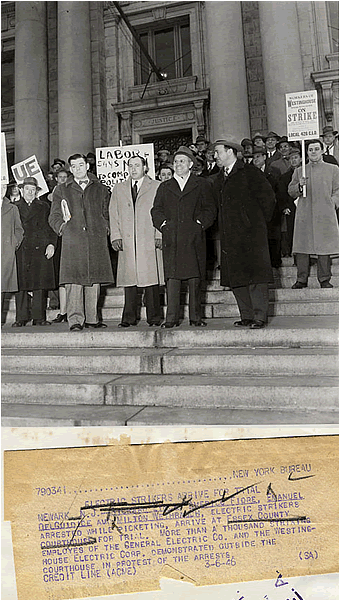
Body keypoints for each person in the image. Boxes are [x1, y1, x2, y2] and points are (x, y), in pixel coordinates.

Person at [212, 136, 276, 329]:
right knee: (237, 277)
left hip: (252, 234)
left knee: (256, 276)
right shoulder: (219, 177)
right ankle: (246, 315)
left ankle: (259, 316)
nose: (215, 156)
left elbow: (269, 199)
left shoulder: (250, 172)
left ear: (230, 152)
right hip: (230, 235)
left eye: (218, 152)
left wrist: (255, 223)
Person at [151, 146, 216, 327]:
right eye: (176, 161)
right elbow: (156, 210)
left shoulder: (202, 184)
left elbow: (210, 209)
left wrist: (199, 225)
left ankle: (195, 317)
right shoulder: (165, 187)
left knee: (195, 278)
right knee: (172, 278)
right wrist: (164, 225)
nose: (178, 164)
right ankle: (171, 318)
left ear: (191, 164)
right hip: (172, 238)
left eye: (182, 161)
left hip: (193, 237)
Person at [49, 153, 113, 331]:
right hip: (73, 240)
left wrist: (105, 228)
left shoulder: (101, 189)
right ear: (70, 169)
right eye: (74, 166)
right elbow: (54, 216)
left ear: (87, 166)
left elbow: (107, 212)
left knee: (94, 280)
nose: (77, 169)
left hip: (95, 239)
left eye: (80, 165)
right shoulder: (62, 190)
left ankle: (92, 318)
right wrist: (63, 228)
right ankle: (75, 319)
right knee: (74, 281)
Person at [109, 156, 164, 327]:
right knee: (129, 281)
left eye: (137, 165)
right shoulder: (119, 188)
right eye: (130, 166)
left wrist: (159, 235)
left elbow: (161, 212)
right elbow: (114, 213)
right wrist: (115, 235)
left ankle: (154, 317)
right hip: (127, 240)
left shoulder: (156, 186)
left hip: (148, 239)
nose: (133, 169)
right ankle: (128, 317)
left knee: (151, 280)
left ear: (145, 167)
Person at [288, 139, 339, 289]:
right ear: (307, 152)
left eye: (317, 149)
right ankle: (301, 279)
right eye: (310, 150)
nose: (314, 152)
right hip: (305, 212)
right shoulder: (300, 170)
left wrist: (333, 202)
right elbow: (291, 191)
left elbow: (338, 189)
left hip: (324, 212)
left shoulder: (333, 169)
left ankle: (324, 279)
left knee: (324, 247)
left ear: (322, 150)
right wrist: (299, 185)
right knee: (303, 246)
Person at [13, 177, 56, 327]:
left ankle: (39, 317)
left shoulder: (44, 206)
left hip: (40, 247)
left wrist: (51, 244)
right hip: (21, 248)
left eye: (33, 190)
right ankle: (21, 318)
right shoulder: (14, 207)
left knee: (39, 283)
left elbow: (50, 227)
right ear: (21, 190)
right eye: (27, 189)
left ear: (36, 191)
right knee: (21, 284)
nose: (30, 192)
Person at [252, 147, 282, 268]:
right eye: (254, 157)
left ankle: (275, 262)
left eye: (258, 156)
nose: (255, 159)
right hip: (257, 210)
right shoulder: (250, 172)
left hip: (272, 209)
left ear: (265, 157)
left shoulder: (274, 171)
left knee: (273, 236)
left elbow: (279, 190)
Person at [1, 183, 24, 325]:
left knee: (1, 289)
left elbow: (19, 230)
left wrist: (13, 243)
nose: (1, 190)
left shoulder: (12, 208)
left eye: (3, 187)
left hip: (4, 253)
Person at [276, 144, 301, 257]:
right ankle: (296, 256)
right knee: (293, 230)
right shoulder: (285, 176)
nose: (293, 160)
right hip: (291, 207)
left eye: (296, 157)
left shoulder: (306, 172)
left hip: (306, 206)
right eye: (291, 158)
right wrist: (284, 207)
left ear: (300, 158)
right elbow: (281, 193)